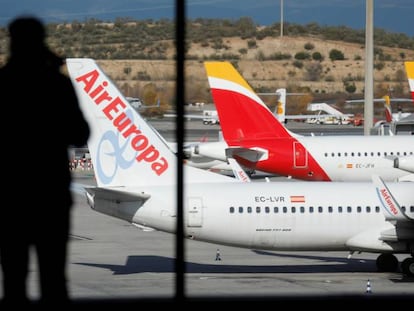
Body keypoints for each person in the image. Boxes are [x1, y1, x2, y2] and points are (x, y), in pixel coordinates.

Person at [0, 16, 90, 307]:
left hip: (10, 197)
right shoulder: (56, 85)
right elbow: (80, 134)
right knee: (54, 278)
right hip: (49, 196)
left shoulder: (2, 84)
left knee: (13, 278)